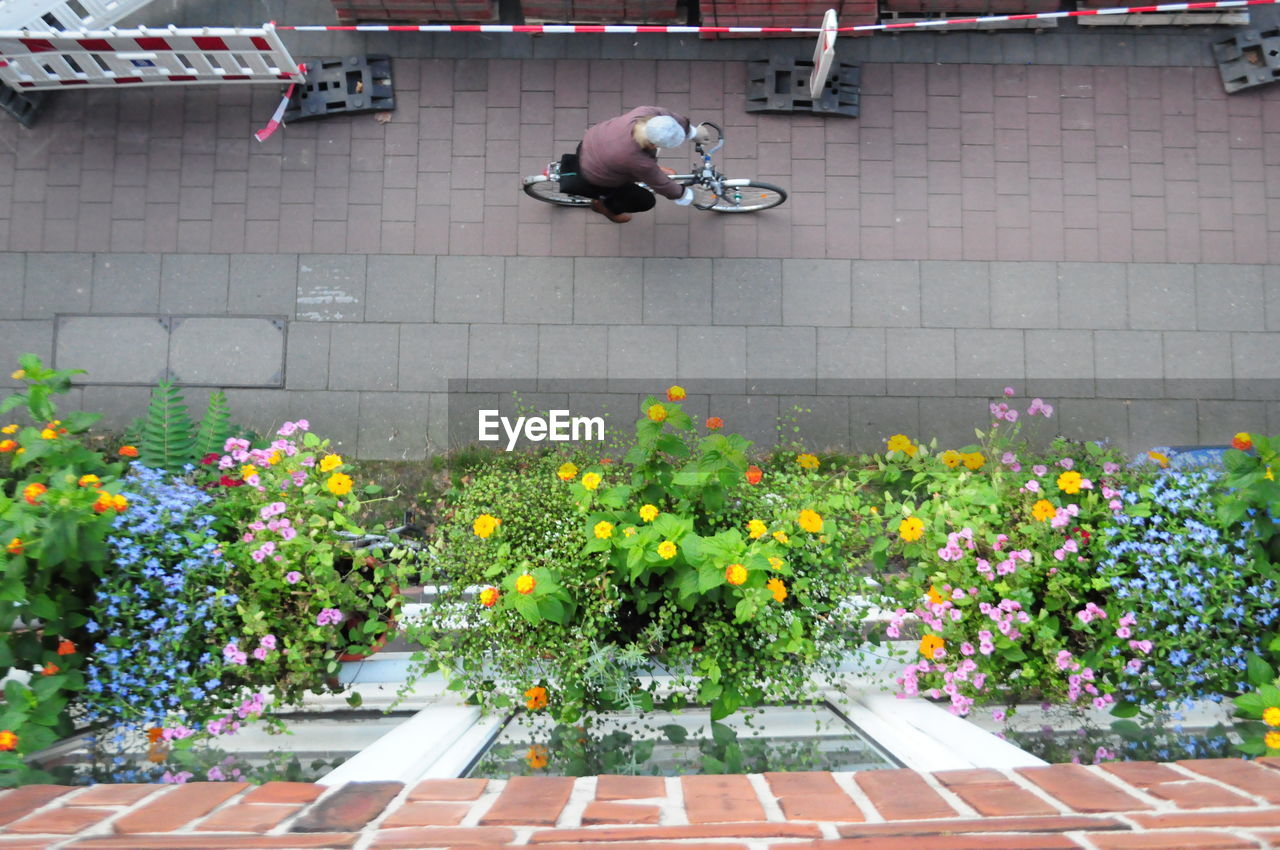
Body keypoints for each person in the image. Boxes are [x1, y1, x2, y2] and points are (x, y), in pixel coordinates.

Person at [575, 106, 707, 223]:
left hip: (591, 142)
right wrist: (686, 195)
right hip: (596, 173)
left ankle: (646, 173)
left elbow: (670, 118)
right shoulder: (635, 159)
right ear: (654, 144)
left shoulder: (644, 112)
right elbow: (662, 185)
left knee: (646, 168)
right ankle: (603, 206)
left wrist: (692, 132)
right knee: (645, 201)